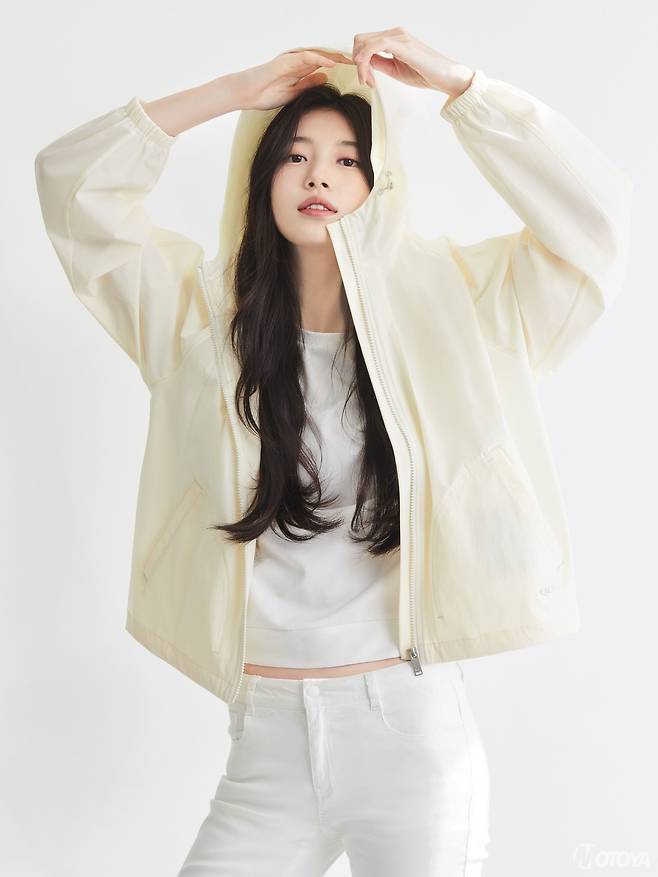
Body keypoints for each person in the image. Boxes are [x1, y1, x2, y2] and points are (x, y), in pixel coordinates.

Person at [34, 29, 633, 877]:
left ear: (379, 183)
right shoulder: (194, 317)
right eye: (295, 156)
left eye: (348, 160)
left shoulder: (458, 304)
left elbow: (596, 224)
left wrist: (462, 89)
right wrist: (233, 94)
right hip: (264, 741)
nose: (319, 176)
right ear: (262, 175)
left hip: (407, 734)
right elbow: (71, 188)